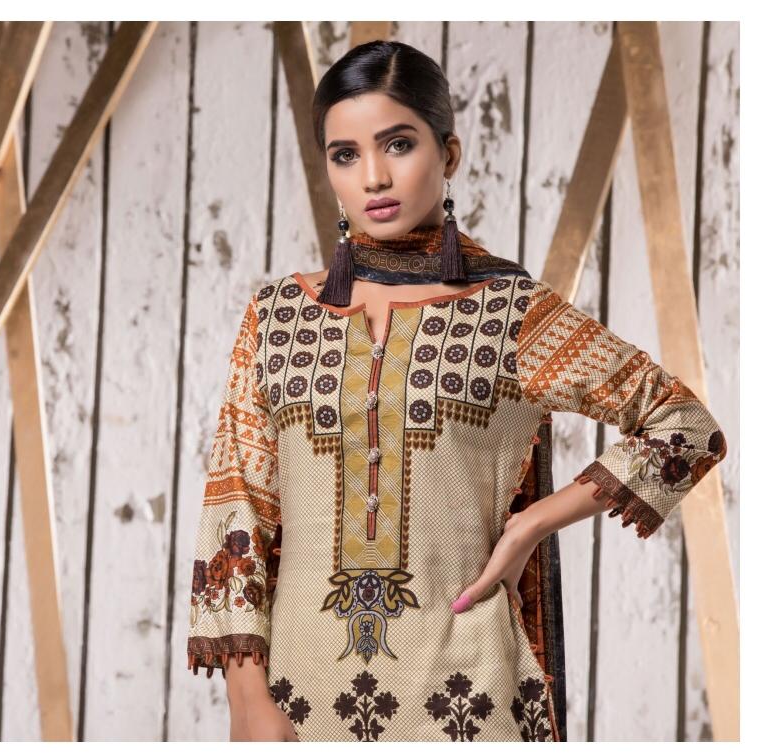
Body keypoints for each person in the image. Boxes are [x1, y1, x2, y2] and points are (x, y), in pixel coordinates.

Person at [185, 40, 727, 742]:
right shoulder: (277, 315)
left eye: (398, 144)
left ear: (449, 154)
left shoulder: (510, 313)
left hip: (468, 694)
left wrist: (530, 525)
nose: (374, 176)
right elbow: (237, 506)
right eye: (345, 154)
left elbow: (683, 423)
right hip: (297, 697)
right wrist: (246, 699)